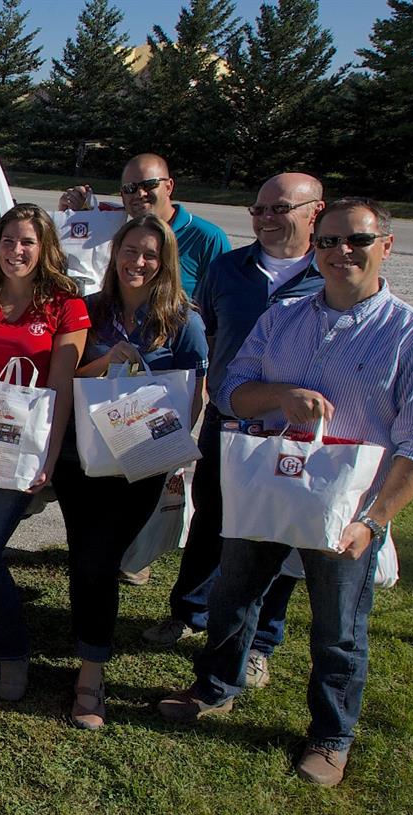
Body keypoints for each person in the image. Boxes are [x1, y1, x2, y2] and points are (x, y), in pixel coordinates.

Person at [158, 198, 413, 786]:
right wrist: (282, 397)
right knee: (234, 596)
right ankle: (217, 686)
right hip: (269, 486)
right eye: (328, 241)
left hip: (346, 508)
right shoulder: (283, 319)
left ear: (385, 247)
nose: (341, 252)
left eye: (357, 241)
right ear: (314, 247)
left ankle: (330, 734)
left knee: (338, 628)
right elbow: (230, 390)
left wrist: (372, 521)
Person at [145, 173, 327, 690]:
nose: (267, 218)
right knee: (212, 520)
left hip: (294, 432)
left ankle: (261, 642)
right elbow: (213, 336)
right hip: (231, 422)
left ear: (315, 211)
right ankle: (189, 611)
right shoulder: (228, 269)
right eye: (258, 209)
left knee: (279, 534)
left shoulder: (329, 272)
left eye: (280, 208)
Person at [53, 215, 207, 729]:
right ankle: (89, 656)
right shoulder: (91, 311)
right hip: (84, 461)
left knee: (102, 560)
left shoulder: (183, 320)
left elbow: (194, 395)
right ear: (114, 252)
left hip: (139, 463)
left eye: (148, 254)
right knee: (87, 558)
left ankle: (90, 679)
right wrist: (106, 362)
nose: (136, 262)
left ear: (164, 262)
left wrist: (169, 462)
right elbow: (69, 374)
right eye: (129, 251)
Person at [0, 203, 89, 705]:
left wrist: (49, 455)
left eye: (27, 242)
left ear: (44, 248)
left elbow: (62, 387)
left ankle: (13, 654)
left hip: (22, 449)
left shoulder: (65, 305)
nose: (16, 251)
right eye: (8, 241)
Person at [60, 153, 230, 298]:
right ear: (122, 195)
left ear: (169, 187)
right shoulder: (113, 230)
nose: (140, 194)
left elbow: (225, 302)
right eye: (130, 188)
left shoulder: (207, 237)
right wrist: (73, 216)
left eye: (149, 185)